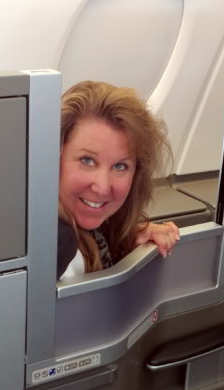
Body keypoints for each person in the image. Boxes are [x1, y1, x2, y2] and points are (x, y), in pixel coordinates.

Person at [56, 80, 180, 279]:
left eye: (120, 166)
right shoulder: (56, 246)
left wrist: (131, 238)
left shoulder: (87, 228)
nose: (102, 187)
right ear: (54, 158)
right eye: (87, 160)